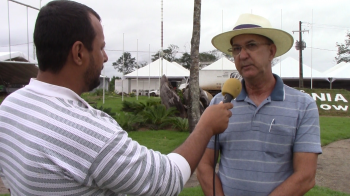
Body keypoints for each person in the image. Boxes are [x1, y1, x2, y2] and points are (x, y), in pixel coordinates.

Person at [0, 1, 233, 195]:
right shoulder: (88, 133)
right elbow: (166, 180)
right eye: (101, 48)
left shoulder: (10, 108)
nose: (105, 58)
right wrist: (205, 126)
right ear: (79, 52)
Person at [197, 13, 322, 196]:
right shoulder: (220, 104)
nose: (243, 55)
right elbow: (203, 164)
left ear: (271, 52)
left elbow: (305, 176)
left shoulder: (303, 106)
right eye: (236, 49)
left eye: (251, 45)